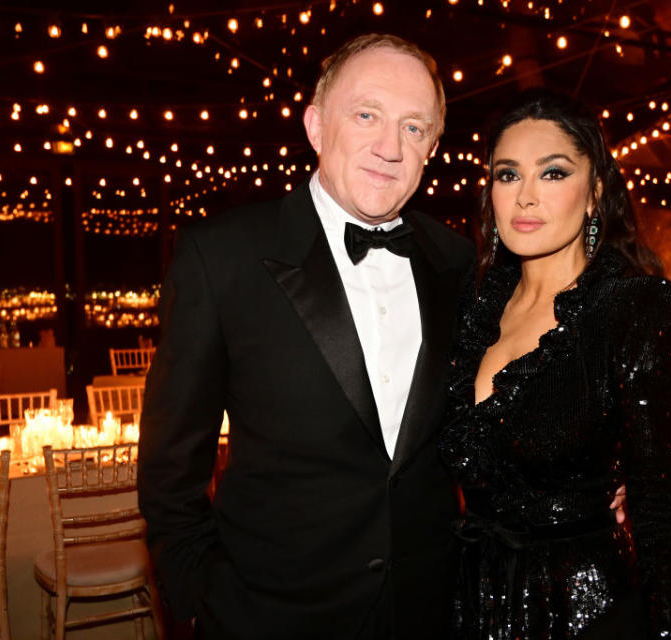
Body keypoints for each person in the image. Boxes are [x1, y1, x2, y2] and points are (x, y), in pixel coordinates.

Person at [138, 34, 475, 639]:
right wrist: (204, 599)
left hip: (429, 609)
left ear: (432, 147)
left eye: (414, 127)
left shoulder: (458, 262)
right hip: (272, 618)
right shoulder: (222, 257)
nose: (389, 147)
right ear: (316, 126)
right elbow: (169, 472)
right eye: (366, 114)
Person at [440, 89, 671, 639]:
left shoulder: (633, 307)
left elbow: (656, 495)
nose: (525, 197)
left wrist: (669, 627)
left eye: (552, 174)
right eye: (508, 175)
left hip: (581, 612)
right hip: (471, 601)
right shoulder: (474, 308)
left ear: (594, 190)